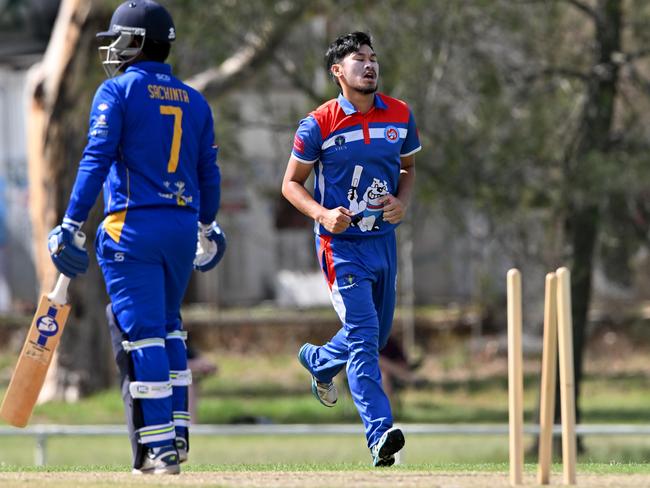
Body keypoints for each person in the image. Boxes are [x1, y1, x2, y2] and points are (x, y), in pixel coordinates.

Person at [46, 0, 225, 475]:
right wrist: (207, 225)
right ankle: (178, 437)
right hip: (182, 229)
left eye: (120, 39)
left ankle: (159, 448)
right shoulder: (196, 99)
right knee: (169, 329)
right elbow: (209, 172)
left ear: (137, 42)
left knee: (140, 335)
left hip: (133, 228)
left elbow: (95, 159)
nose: (114, 48)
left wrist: (71, 222)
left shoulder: (116, 92)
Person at [281, 31, 421, 467]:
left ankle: (320, 361)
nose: (370, 65)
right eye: (359, 59)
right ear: (338, 72)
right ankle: (380, 436)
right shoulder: (318, 123)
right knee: (363, 339)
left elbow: (409, 168)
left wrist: (402, 201)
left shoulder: (399, 114)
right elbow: (290, 184)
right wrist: (322, 214)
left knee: (376, 336)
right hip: (341, 248)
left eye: (373, 58)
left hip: (383, 244)